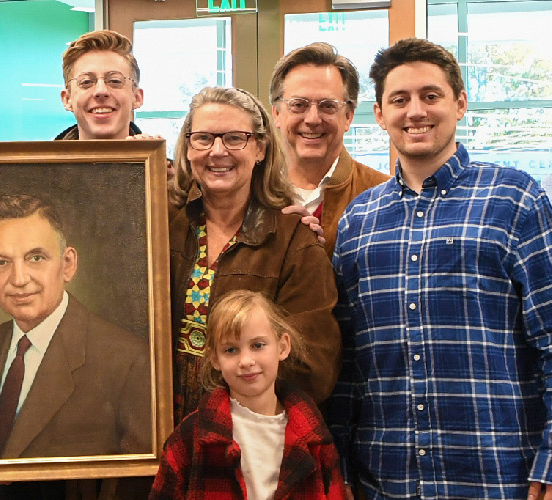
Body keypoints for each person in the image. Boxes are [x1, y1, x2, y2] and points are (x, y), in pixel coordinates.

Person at [330, 38, 552, 500]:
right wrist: (337, 469)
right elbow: (350, 366)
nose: (415, 111)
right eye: (400, 99)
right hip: (386, 480)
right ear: (379, 114)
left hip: (497, 478)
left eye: (430, 96)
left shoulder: (514, 199)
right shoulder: (358, 220)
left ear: (459, 104)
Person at [0, 194, 151, 499]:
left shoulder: (128, 358)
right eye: (1, 262)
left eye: (36, 257)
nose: (19, 279)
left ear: (68, 264)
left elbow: (136, 482)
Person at [167, 87, 338, 424]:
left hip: (246, 442)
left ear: (260, 148)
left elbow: (316, 362)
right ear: (188, 148)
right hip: (156, 433)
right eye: (203, 138)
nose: (217, 151)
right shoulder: (161, 225)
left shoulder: (293, 240)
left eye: (234, 138)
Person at [151, 290, 344, 500]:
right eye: (231, 350)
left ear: (283, 346)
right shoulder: (191, 437)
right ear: (215, 358)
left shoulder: (314, 437)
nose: (246, 361)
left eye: (258, 345)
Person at [269, 42, 389, 254]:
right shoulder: (251, 194)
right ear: (277, 113)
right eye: (299, 105)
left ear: (348, 116)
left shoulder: (384, 196)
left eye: (327, 106)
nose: (313, 119)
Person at [54, 30, 147, 140]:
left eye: (114, 81)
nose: (101, 91)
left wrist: (154, 157)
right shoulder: (38, 158)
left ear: (137, 97)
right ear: (67, 99)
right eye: (86, 82)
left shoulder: (158, 158)